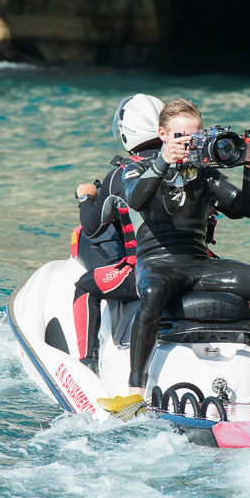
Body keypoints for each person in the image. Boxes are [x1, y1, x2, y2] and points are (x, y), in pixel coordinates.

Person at [122, 98, 250, 397]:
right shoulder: (139, 168)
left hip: (199, 263)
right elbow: (136, 200)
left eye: (195, 137)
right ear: (162, 134)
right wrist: (164, 161)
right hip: (158, 262)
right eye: (181, 138)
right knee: (151, 292)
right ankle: (135, 385)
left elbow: (245, 209)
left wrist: (249, 169)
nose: (189, 145)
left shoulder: (206, 173)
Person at [72, 94, 165, 374]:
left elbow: (92, 228)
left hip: (142, 273)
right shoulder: (189, 166)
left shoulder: (121, 175)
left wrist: (85, 198)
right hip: (197, 264)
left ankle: (87, 364)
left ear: (127, 132)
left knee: (85, 286)